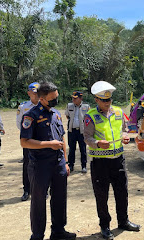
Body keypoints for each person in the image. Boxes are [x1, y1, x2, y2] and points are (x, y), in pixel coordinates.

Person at [84, 81, 140, 240]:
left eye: (109, 100)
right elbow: (87, 137)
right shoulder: (91, 116)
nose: (108, 103)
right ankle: (105, 226)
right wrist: (97, 144)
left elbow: (124, 130)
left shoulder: (118, 112)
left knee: (122, 192)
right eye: (104, 100)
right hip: (100, 163)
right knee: (102, 196)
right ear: (96, 100)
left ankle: (123, 221)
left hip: (118, 161)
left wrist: (125, 136)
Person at [20, 82, 76, 240]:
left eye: (56, 97)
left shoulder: (56, 113)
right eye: (52, 99)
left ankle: (58, 231)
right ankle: (37, 235)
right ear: (42, 99)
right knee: (38, 202)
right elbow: (24, 142)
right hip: (40, 165)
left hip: (58, 164)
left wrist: (65, 162)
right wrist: (48, 144)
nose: (55, 101)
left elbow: (62, 138)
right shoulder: (31, 116)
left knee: (60, 198)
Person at [16, 82, 40, 201]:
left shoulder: (45, 105)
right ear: (29, 93)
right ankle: (27, 190)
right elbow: (19, 123)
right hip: (28, 140)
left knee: (42, 164)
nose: (35, 95)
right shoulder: (23, 107)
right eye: (33, 93)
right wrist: (28, 135)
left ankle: (43, 189)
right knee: (27, 164)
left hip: (42, 140)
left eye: (37, 93)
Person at [65, 91, 90, 173]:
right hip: (72, 131)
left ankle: (84, 166)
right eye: (73, 98)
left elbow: (88, 119)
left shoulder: (86, 107)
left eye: (75, 98)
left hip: (82, 132)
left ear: (81, 98)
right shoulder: (69, 106)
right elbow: (67, 115)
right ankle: (71, 165)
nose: (73, 99)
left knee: (83, 149)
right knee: (71, 149)